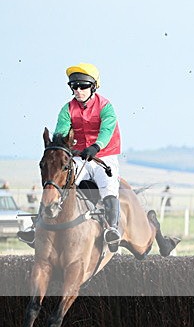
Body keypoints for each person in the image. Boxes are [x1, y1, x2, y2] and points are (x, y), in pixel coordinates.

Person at [18, 62, 123, 251]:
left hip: (104, 156)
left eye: (83, 86)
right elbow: (61, 132)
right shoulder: (66, 109)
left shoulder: (106, 107)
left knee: (109, 188)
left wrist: (96, 146)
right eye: (74, 86)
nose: (78, 90)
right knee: (57, 182)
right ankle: (36, 228)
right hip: (78, 156)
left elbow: (106, 131)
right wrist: (63, 148)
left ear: (93, 87)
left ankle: (112, 230)